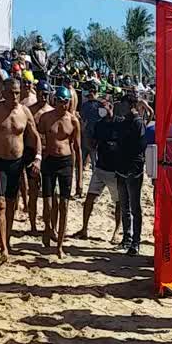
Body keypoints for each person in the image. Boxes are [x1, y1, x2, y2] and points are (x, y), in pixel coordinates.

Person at [0, 78, 42, 263]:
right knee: (0, 204)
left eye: (17, 93)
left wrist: (37, 158)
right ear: (3, 93)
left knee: (11, 205)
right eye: (11, 93)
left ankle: (6, 239)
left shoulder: (25, 112)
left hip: (17, 163)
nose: (14, 96)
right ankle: (3, 248)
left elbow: (34, 135)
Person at [38, 87, 83, 258]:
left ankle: (60, 245)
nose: (62, 105)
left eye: (66, 102)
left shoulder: (73, 121)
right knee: (48, 204)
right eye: (59, 101)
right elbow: (37, 138)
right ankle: (48, 228)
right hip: (49, 160)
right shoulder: (46, 118)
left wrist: (79, 180)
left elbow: (78, 150)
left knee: (64, 205)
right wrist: (38, 157)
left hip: (65, 163)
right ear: (54, 100)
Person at [73, 99, 121, 243]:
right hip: (100, 168)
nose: (102, 110)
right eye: (100, 108)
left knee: (118, 202)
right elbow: (93, 145)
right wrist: (85, 131)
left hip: (115, 170)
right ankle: (84, 229)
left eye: (104, 107)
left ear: (111, 107)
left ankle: (116, 232)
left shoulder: (119, 123)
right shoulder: (99, 125)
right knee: (89, 199)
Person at [115, 96, 149, 256]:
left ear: (131, 105)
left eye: (124, 104)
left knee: (134, 207)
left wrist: (135, 168)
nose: (121, 107)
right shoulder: (123, 122)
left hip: (133, 169)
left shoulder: (138, 122)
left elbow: (141, 147)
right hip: (121, 168)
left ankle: (136, 241)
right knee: (124, 206)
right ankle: (127, 238)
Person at [26, 81, 55, 234]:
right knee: (33, 191)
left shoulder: (52, 111)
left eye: (46, 94)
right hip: (31, 153)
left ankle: (49, 225)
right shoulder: (30, 111)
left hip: (48, 153)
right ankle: (32, 225)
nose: (43, 96)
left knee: (49, 193)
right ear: (36, 92)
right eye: (41, 93)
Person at [80, 83, 103, 169]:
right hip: (90, 133)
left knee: (92, 157)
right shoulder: (98, 104)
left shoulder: (99, 104)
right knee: (91, 157)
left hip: (93, 134)